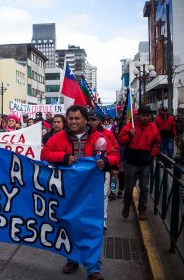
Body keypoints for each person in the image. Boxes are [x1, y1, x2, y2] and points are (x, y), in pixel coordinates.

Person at [41, 105, 119, 280]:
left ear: (86, 120)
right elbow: (44, 154)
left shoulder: (101, 137)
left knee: (91, 227)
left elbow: (115, 156)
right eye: (70, 118)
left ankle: (93, 267)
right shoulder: (57, 138)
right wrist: (62, 157)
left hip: (91, 191)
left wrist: (105, 161)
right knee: (69, 224)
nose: (73, 122)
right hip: (67, 191)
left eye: (77, 118)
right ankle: (72, 258)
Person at [118, 105, 160, 221]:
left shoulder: (153, 128)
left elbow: (157, 143)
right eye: (143, 115)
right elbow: (121, 140)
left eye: (147, 115)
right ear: (139, 116)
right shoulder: (130, 127)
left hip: (145, 162)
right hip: (131, 161)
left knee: (144, 187)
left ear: (150, 116)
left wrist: (152, 155)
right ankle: (126, 205)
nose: (145, 118)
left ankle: (142, 209)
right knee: (129, 186)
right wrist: (129, 135)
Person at [87, 110, 119, 231]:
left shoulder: (107, 134)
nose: (91, 122)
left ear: (98, 121)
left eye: (93, 120)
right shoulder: (84, 134)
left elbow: (115, 151)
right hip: (88, 172)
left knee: (103, 195)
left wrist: (113, 167)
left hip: (103, 170)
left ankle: (103, 219)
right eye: (89, 120)